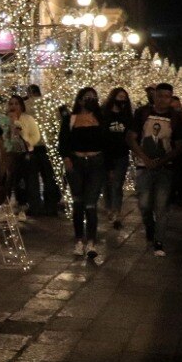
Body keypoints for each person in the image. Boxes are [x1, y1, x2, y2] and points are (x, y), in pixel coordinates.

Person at [127, 82, 182, 257]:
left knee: (161, 206)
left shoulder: (176, 118)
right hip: (143, 166)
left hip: (166, 168)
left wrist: (161, 161)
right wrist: (145, 159)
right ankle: (150, 226)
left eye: (167, 97)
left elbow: (179, 145)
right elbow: (131, 138)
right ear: (154, 96)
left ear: (171, 98)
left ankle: (159, 241)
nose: (163, 100)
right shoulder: (143, 113)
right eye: (160, 96)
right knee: (145, 204)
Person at [59, 87, 107, 263]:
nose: (90, 100)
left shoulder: (100, 119)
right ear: (79, 100)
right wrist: (66, 158)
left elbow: (106, 142)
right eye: (87, 97)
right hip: (76, 163)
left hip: (96, 163)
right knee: (78, 202)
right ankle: (79, 240)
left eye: (93, 97)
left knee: (91, 204)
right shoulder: (70, 119)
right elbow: (63, 141)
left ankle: (92, 243)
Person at [23, 84, 61, 215]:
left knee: (32, 178)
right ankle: (51, 206)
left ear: (29, 92)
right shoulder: (49, 105)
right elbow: (57, 125)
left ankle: (35, 207)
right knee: (49, 178)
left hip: (31, 146)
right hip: (48, 146)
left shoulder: (25, 105)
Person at [101, 88, 134, 227]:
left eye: (124, 97)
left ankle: (116, 210)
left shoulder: (126, 116)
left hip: (121, 154)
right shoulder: (104, 114)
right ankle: (109, 207)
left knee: (117, 184)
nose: (122, 100)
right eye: (119, 97)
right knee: (107, 183)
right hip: (106, 153)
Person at [6, 95, 40, 218]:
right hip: (9, 153)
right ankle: (7, 207)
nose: (13, 106)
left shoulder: (28, 119)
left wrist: (28, 143)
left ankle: (22, 207)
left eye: (16, 104)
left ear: (21, 106)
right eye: (11, 104)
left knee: (22, 181)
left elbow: (35, 135)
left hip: (24, 153)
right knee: (8, 181)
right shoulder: (4, 119)